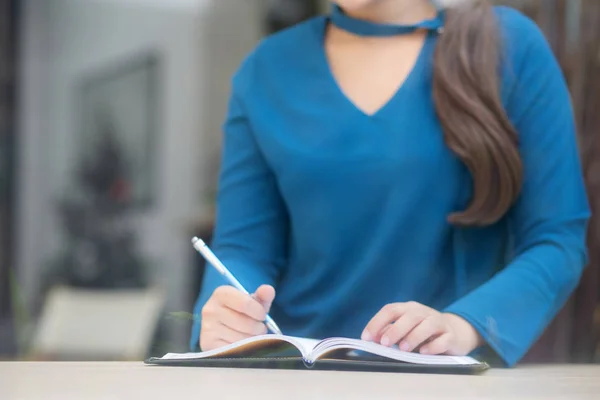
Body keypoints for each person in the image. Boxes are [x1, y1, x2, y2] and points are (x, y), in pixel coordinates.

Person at [190, 0, 590, 367]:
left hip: (446, 379)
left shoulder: (507, 45)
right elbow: (243, 248)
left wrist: (459, 325)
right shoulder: (266, 70)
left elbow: (556, 240)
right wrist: (225, 315)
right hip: (298, 376)